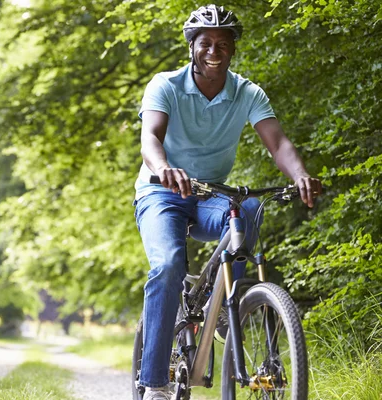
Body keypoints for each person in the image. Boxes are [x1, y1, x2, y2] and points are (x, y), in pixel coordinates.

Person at [133, 4, 321, 400]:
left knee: (248, 209)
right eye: (206, 43)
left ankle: (223, 302)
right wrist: (165, 167)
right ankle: (155, 383)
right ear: (192, 47)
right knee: (168, 264)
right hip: (161, 191)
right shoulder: (164, 85)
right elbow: (150, 137)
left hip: (210, 194)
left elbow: (278, 143)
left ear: (233, 49)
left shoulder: (247, 92)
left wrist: (300, 174)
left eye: (223, 43)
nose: (214, 50)